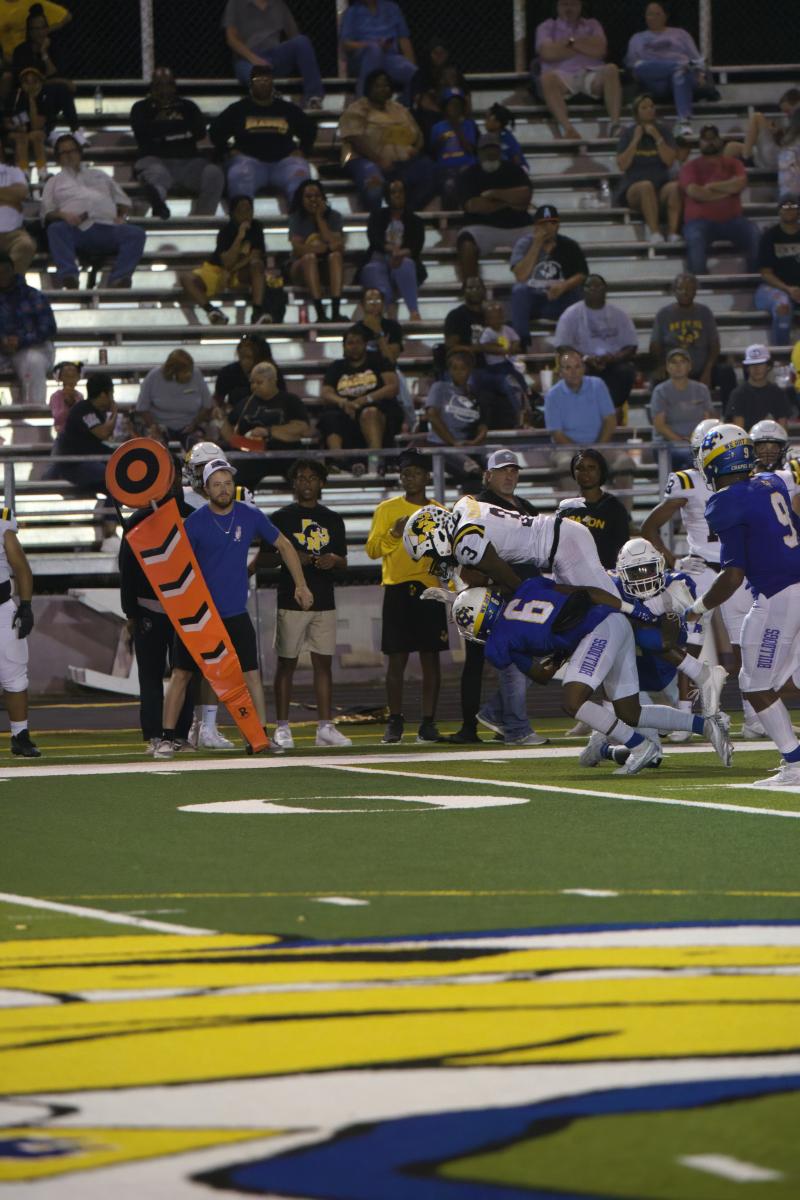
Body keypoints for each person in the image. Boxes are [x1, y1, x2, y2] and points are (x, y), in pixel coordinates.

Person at [451, 575, 731, 775]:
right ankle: (706, 726)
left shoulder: (498, 642)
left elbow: (542, 675)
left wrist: (558, 653)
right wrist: (633, 612)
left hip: (597, 632)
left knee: (573, 701)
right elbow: (587, 593)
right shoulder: (529, 586)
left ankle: (639, 746)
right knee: (629, 712)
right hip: (615, 620)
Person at [154, 458, 313, 759]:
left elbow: (284, 545)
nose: (224, 489)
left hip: (234, 613)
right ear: (206, 488)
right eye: (217, 484)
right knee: (181, 674)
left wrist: (301, 585)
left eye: (228, 483)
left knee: (251, 674)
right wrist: (178, 607)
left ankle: (259, 737)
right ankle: (166, 738)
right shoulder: (195, 523)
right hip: (200, 615)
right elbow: (175, 566)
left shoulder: (249, 514)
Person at [684, 424, 800, 785]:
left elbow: (733, 574)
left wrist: (698, 607)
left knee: (755, 684)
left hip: (779, 594)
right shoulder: (771, 482)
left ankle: (796, 765)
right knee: (774, 679)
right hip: (790, 587)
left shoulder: (725, 501)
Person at [641, 417, 760, 738]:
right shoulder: (689, 481)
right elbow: (649, 527)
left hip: (737, 570)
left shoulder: (742, 481)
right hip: (703, 571)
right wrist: (675, 560)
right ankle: (683, 717)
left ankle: (753, 716)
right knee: (689, 645)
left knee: (746, 643)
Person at [450, 449, 547, 748]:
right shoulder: (477, 506)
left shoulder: (526, 507)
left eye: (513, 470)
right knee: (494, 662)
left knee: (534, 656)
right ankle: (490, 727)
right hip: (490, 597)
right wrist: (492, 581)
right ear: (487, 475)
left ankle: (496, 715)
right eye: (503, 470)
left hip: (525, 594)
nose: (509, 475)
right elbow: (464, 561)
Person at [366, 449, 448, 745]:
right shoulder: (386, 509)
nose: (410, 478)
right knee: (396, 659)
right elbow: (372, 550)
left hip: (430, 590)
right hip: (397, 589)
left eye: (416, 473)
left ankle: (428, 723)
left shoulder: (440, 511)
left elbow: (447, 555)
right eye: (405, 473)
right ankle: (395, 721)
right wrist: (393, 533)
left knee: (431, 659)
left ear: (427, 477)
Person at [270, 459, 351, 750]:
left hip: (324, 598)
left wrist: (333, 560)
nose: (307, 483)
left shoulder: (333, 518)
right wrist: (292, 556)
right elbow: (265, 556)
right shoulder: (280, 517)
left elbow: (344, 561)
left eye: (312, 478)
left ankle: (325, 727)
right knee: (286, 663)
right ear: (294, 483)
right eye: (301, 478)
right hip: (291, 598)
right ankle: (282, 727)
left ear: (322, 483)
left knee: (323, 664)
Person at [120, 475, 195, 755]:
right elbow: (127, 568)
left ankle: (180, 734)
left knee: (185, 673)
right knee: (150, 675)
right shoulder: (138, 519)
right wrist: (131, 611)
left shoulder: (193, 517)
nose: (171, 486)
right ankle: (154, 735)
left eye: (174, 479)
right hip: (148, 608)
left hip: (186, 608)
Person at [41, 133, 147, 289]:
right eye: (64, 152)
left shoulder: (100, 175)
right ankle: (69, 276)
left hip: (107, 227)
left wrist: (120, 215)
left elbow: (123, 201)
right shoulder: (53, 182)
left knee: (136, 233)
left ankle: (119, 278)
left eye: (72, 151)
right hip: (77, 229)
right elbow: (47, 211)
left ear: (79, 153)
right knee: (56, 229)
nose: (69, 155)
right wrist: (63, 215)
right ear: (58, 158)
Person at [209, 64, 313, 205]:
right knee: (238, 173)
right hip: (249, 162)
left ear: (272, 83)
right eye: (258, 80)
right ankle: (242, 217)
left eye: (267, 80)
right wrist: (227, 151)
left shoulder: (287, 108)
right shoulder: (239, 109)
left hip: (284, 163)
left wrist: (303, 150)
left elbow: (310, 129)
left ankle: (299, 216)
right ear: (251, 84)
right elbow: (215, 131)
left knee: (300, 174)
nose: (263, 84)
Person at [337, 69, 437, 215]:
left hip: (402, 163)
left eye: (386, 85)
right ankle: (376, 220)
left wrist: (415, 149)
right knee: (374, 188)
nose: (383, 89)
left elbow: (417, 136)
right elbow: (354, 138)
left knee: (431, 170)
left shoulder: (399, 109)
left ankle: (406, 214)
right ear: (368, 88)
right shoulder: (357, 109)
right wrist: (379, 160)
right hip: (366, 161)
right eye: (378, 85)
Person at [130, 67, 224, 221]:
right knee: (157, 176)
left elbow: (200, 131)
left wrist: (162, 134)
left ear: (174, 86)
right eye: (159, 85)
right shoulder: (141, 108)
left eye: (168, 84)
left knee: (214, 173)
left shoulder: (188, 106)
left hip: (189, 162)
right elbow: (142, 134)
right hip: (154, 160)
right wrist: (182, 131)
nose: (164, 89)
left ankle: (201, 220)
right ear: (152, 87)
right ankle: (159, 210)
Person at [47, 372, 118, 550]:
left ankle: (110, 526)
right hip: (74, 466)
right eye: (111, 393)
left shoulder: (96, 412)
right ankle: (109, 528)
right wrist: (115, 413)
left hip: (90, 462)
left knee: (120, 481)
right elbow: (103, 433)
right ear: (104, 394)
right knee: (115, 478)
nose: (112, 398)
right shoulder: (84, 410)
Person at [532, 0, 621, 141]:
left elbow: (600, 49)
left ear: (580, 6)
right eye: (564, 4)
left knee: (611, 69)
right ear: (557, 6)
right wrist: (584, 45)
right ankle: (569, 129)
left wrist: (568, 44)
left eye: (573, 4)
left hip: (591, 73)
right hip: (562, 75)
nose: (569, 8)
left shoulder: (592, 24)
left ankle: (615, 126)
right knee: (546, 78)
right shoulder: (547, 27)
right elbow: (548, 53)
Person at [678, 125, 760, 277]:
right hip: (699, 222)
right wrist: (727, 191)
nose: (710, 142)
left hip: (733, 221)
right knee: (695, 237)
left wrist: (712, 186)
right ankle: (699, 283)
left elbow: (740, 183)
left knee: (753, 232)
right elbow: (695, 192)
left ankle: (755, 279)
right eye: (706, 139)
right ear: (700, 142)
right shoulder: (690, 167)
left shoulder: (733, 163)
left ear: (720, 141)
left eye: (713, 138)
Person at [551, 273, 638, 415]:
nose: (594, 290)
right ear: (582, 290)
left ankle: (610, 411)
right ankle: (584, 413)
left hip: (612, 362)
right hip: (581, 362)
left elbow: (631, 346)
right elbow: (562, 346)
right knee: (574, 370)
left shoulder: (619, 315)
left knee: (626, 371)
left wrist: (613, 358)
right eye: (589, 286)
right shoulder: (570, 314)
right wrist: (584, 358)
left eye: (598, 286)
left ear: (605, 289)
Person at [650, 272, 737, 410]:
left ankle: (730, 416)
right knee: (657, 378)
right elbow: (655, 345)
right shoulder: (664, 314)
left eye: (689, 288)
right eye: (680, 288)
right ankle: (660, 419)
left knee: (726, 372)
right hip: (674, 370)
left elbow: (715, 345)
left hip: (701, 369)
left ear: (696, 291)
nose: (685, 292)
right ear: (674, 290)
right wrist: (662, 365)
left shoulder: (705, 312)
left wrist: (708, 371)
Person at [543, 347, 625, 495]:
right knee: (565, 465)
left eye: (577, 366)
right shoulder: (553, 395)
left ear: (584, 368)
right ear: (560, 372)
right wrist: (582, 454)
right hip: (566, 449)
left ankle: (621, 510)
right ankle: (576, 509)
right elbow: (557, 434)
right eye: (568, 368)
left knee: (625, 463)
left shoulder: (598, 385)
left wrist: (597, 449)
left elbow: (610, 420)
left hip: (600, 445)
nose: (573, 372)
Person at [217, 360, 311, 487]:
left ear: (272, 381)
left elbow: (303, 428)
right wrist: (235, 440)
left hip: (285, 454)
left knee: (304, 478)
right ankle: (240, 500)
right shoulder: (245, 403)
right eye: (252, 383)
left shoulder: (291, 400)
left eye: (259, 382)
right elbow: (227, 426)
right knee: (237, 478)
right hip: (252, 456)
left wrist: (269, 431)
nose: (254, 386)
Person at [179, 194, 267, 327]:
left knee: (257, 266)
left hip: (239, 272)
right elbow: (226, 261)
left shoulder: (257, 228)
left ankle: (257, 313)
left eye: (249, 210)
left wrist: (230, 271)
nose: (246, 214)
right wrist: (239, 237)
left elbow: (255, 256)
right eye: (241, 210)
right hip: (217, 270)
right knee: (186, 278)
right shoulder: (225, 231)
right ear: (233, 213)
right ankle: (212, 311)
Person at [509, 203, 587, 349]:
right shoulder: (524, 244)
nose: (548, 228)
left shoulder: (569, 245)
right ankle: (522, 343)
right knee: (519, 290)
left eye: (552, 223)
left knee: (578, 295)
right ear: (535, 227)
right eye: (543, 224)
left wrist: (564, 286)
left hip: (560, 299)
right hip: (533, 301)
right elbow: (521, 276)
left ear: (558, 225)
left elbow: (582, 274)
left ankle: (576, 346)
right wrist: (536, 244)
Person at [456, 132, 533, 281]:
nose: (490, 153)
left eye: (494, 148)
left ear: (499, 151)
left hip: (518, 225)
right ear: (479, 152)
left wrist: (494, 194)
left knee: (543, 238)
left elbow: (525, 195)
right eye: (486, 149)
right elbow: (473, 206)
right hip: (481, 226)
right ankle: (471, 287)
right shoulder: (468, 175)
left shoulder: (514, 170)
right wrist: (509, 201)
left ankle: (539, 285)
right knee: (466, 244)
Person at [318, 326, 400, 465]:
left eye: (358, 342)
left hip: (376, 408)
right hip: (345, 410)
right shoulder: (336, 367)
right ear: (344, 346)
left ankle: (375, 462)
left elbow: (392, 387)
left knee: (370, 412)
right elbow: (326, 393)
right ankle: (338, 463)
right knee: (330, 418)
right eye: (350, 343)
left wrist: (365, 399)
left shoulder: (379, 361)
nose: (354, 347)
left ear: (365, 344)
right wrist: (343, 402)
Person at [625, 2, 706, 138]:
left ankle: (683, 121)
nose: (654, 17)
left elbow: (697, 60)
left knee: (679, 75)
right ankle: (679, 65)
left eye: (658, 14)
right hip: (654, 80)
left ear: (665, 16)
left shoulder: (680, 34)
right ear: (645, 17)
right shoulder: (637, 38)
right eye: (650, 14)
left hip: (680, 80)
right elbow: (632, 66)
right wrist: (683, 65)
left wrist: (700, 74)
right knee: (640, 66)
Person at [222, 0, 324, 106]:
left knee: (302, 41)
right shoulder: (236, 3)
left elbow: (294, 35)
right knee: (251, 72)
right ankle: (272, 97)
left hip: (273, 56)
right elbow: (231, 39)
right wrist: (254, 59)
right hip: (247, 58)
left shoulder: (279, 5)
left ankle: (313, 97)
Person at [615, 93, 681, 243]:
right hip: (634, 188)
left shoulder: (663, 131)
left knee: (675, 188)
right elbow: (622, 165)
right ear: (636, 112)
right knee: (646, 186)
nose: (650, 110)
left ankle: (673, 233)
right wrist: (635, 140)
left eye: (651, 106)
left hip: (660, 185)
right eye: (644, 107)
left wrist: (657, 137)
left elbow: (669, 161)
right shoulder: (628, 134)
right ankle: (655, 232)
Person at [0, 504, 38, 757]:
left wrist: (25, 605)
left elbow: (21, 565)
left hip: (1, 608)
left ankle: (20, 734)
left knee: (14, 673)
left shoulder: (2, 521)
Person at [360, 177, 425, 321]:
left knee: (406, 264)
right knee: (373, 269)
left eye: (401, 192)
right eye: (393, 192)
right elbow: (374, 239)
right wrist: (390, 249)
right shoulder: (377, 216)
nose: (398, 195)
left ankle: (413, 311)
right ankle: (388, 312)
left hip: (404, 258)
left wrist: (400, 253)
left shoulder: (415, 220)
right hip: (379, 257)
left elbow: (416, 245)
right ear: (387, 196)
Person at [558, 448, 631, 568]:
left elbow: (623, 550)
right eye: (580, 468)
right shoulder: (566, 508)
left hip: (605, 574)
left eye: (591, 467)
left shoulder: (615, 508)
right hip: (571, 574)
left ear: (601, 471)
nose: (585, 472)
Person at [354, 285, 414, 428]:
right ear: (362, 305)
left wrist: (378, 334)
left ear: (383, 304)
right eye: (370, 300)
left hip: (388, 373)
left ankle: (407, 423)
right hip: (363, 374)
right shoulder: (356, 330)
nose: (374, 303)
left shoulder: (392, 327)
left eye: (378, 300)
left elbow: (390, 359)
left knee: (396, 379)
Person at [0, 252, 55, 405]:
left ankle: (34, 409)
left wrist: (20, 340)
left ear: (12, 271)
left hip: (32, 348)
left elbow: (48, 328)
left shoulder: (32, 295)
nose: (2, 276)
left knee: (33, 361)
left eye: (5, 271)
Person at [288, 179, 344, 325]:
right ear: (301, 199)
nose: (313, 200)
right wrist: (325, 248)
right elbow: (298, 249)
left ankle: (336, 312)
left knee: (336, 256)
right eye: (308, 196)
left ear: (323, 197)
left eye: (317, 196)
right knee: (309, 258)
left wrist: (320, 219)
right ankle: (320, 313)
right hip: (301, 268)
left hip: (326, 268)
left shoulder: (335, 216)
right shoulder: (296, 218)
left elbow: (337, 246)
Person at [340, 0, 416, 104]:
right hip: (363, 58)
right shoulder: (352, 12)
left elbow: (404, 39)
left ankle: (404, 105)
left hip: (389, 56)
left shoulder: (392, 8)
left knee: (412, 72)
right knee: (374, 51)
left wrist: (412, 64)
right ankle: (363, 102)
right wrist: (371, 45)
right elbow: (346, 44)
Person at [651, 347, 715, 468]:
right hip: (667, 445)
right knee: (690, 456)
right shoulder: (660, 391)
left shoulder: (702, 390)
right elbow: (660, 425)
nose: (678, 366)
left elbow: (707, 420)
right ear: (667, 367)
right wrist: (682, 441)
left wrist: (695, 441)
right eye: (674, 362)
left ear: (689, 366)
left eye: (682, 362)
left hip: (697, 444)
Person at [134, 349, 212, 448]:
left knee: (199, 446)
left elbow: (207, 405)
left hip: (191, 425)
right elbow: (142, 407)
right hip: (160, 425)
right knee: (157, 446)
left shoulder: (196, 374)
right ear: (172, 370)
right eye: (185, 371)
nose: (189, 374)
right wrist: (153, 426)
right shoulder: (153, 376)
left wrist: (195, 423)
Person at [7, 65, 77, 173]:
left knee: (37, 135)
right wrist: (16, 126)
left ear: (40, 83)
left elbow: (36, 125)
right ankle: (23, 172)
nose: (30, 85)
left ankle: (42, 172)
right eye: (26, 82)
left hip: (37, 134)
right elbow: (10, 123)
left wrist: (31, 100)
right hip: (16, 134)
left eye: (34, 81)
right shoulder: (16, 97)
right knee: (21, 138)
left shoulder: (46, 98)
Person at [424, 350, 488, 468]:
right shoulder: (439, 388)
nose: (458, 373)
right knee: (471, 468)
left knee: (495, 467)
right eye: (454, 369)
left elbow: (483, 426)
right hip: (442, 445)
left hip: (468, 445)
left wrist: (474, 443)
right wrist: (453, 442)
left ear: (470, 370)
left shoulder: (476, 393)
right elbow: (432, 416)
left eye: (463, 369)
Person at [755, 196, 800, 349]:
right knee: (783, 305)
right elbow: (766, 273)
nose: (789, 210)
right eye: (785, 207)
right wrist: (788, 289)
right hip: (774, 288)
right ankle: (781, 354)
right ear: (779, 211)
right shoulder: (769, 236)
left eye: (793, 207)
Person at [476, 299, 528, 424]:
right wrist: (502, 350)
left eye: (498, 317)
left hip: (508, 363)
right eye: (492, 318)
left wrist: (513, 347)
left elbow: (516, 340)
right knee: (509, 382)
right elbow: (484, 346)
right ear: (487, 320)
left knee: (519, 378)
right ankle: (518, 412)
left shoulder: (507, 329)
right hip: (495, 368)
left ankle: (527, 399)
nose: (496, 320)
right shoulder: (488, 332)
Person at [723, 88, 800, 170]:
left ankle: (746, 158)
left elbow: (790, 143)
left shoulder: (798, 114)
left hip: (784, 157)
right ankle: (722, 173)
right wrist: (777, 132)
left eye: (788, 111)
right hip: (779, 152)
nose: (788, 115)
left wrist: (778, 134)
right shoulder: (794, 120)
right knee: (731, 147)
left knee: (757, 117)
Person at [725, 344, 794, 429]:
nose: (756, 368)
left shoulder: (777, 393)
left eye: (760, 364)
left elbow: (783, 429)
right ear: (747, 368)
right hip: (748, 437)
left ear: (768, 366)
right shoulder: (738, 394)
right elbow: (739, 431)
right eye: (752, 364)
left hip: (773, 436)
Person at [429, 87, 478, 204]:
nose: (454, 107)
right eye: (451, 104)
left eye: (458, 104)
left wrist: (455, 125)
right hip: (445, 168)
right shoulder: (437, 127)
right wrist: (439, 142)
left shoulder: (469, 124)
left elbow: (470, 149)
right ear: (445, 107)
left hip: (466, 166)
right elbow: (432, 153)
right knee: (448, 185)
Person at [0, 156, 34, 273]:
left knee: (26, 245)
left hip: (14, 234)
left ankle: (11, 281)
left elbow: (21, 193)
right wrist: (10, 200)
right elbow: (15, 196)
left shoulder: (13, 170)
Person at [484, 103, 528, 172]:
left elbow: (517, 161)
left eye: (487, 119)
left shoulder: (508, 139)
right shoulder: (487, 138)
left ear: (497, 123)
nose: (485, 122)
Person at [48, 358, 81, 434]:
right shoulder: (55, 396)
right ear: (60, 377)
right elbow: (57, 418)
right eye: (67, 376)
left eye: (73, 376)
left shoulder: (79, 396)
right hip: (63, 435)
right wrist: (68, 403)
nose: (70, 379)